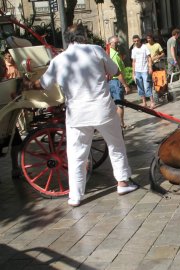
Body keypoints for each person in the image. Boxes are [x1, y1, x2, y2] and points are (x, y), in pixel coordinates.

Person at [24, 24, 138, 207]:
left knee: (77, 155)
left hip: (77, 113)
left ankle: (75, 196)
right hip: (103, 109)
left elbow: (42, 84)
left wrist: (28, 85)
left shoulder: (59, 60)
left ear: (68, 39)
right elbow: (115, 71)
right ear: (84, 36)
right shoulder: (96, 50)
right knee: (116, 145)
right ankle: (123, 183)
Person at [108, 36, 131, 129]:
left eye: (118, 42)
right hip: (116, 82)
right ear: (110, 43)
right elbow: (117, 72)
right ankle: (121, 124)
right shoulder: (114, 56)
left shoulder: (110, 53)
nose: (118, 44)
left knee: (114, 104)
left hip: (111, 82)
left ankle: (117, 124)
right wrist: (125, 85)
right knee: (120, 104)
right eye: (115, 43)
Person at [131, 34, 155, 109]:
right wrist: (133, 72)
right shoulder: (133, 49)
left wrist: (150, 67)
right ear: (133, 42)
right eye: (135, 41)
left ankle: (152, 102)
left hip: (144, 70)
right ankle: (144, 102)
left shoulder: (144, 47)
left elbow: (149, 58)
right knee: (140, 87)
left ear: (140, 40)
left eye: (137, 40)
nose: (136, 42)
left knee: (147, 85)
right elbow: (133, 62)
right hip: (137, 70)